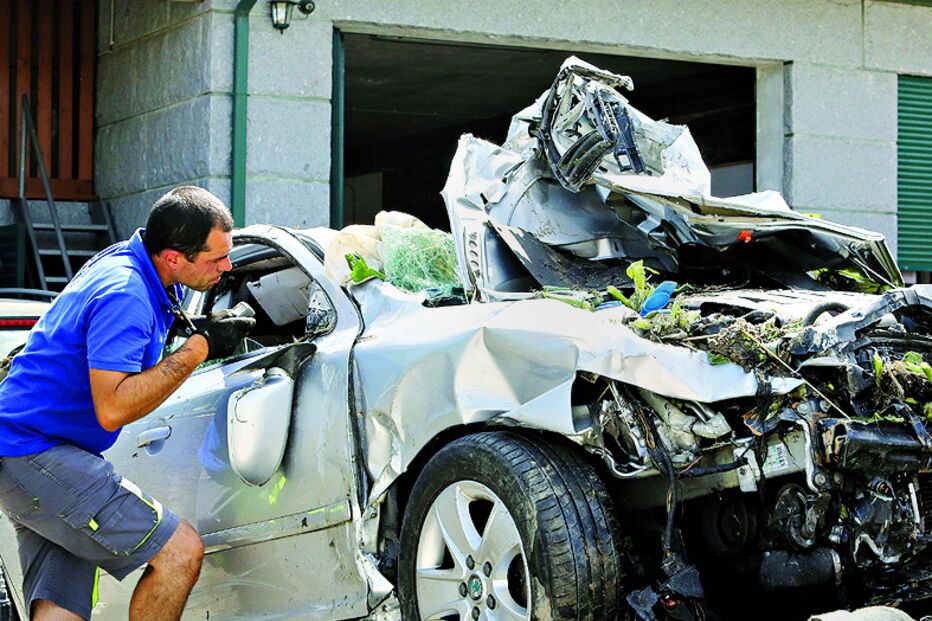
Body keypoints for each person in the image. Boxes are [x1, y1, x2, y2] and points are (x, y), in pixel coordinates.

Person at [0, 186, 255, 621]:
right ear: (173, 258)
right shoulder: (126, 293)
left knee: (62, 609)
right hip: (36, 452)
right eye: (216, 259)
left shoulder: (134, 265)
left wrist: (191, 331)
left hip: (26, 453)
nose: (226, 267)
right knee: (179, 553)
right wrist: (199, 348)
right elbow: (113, 408)